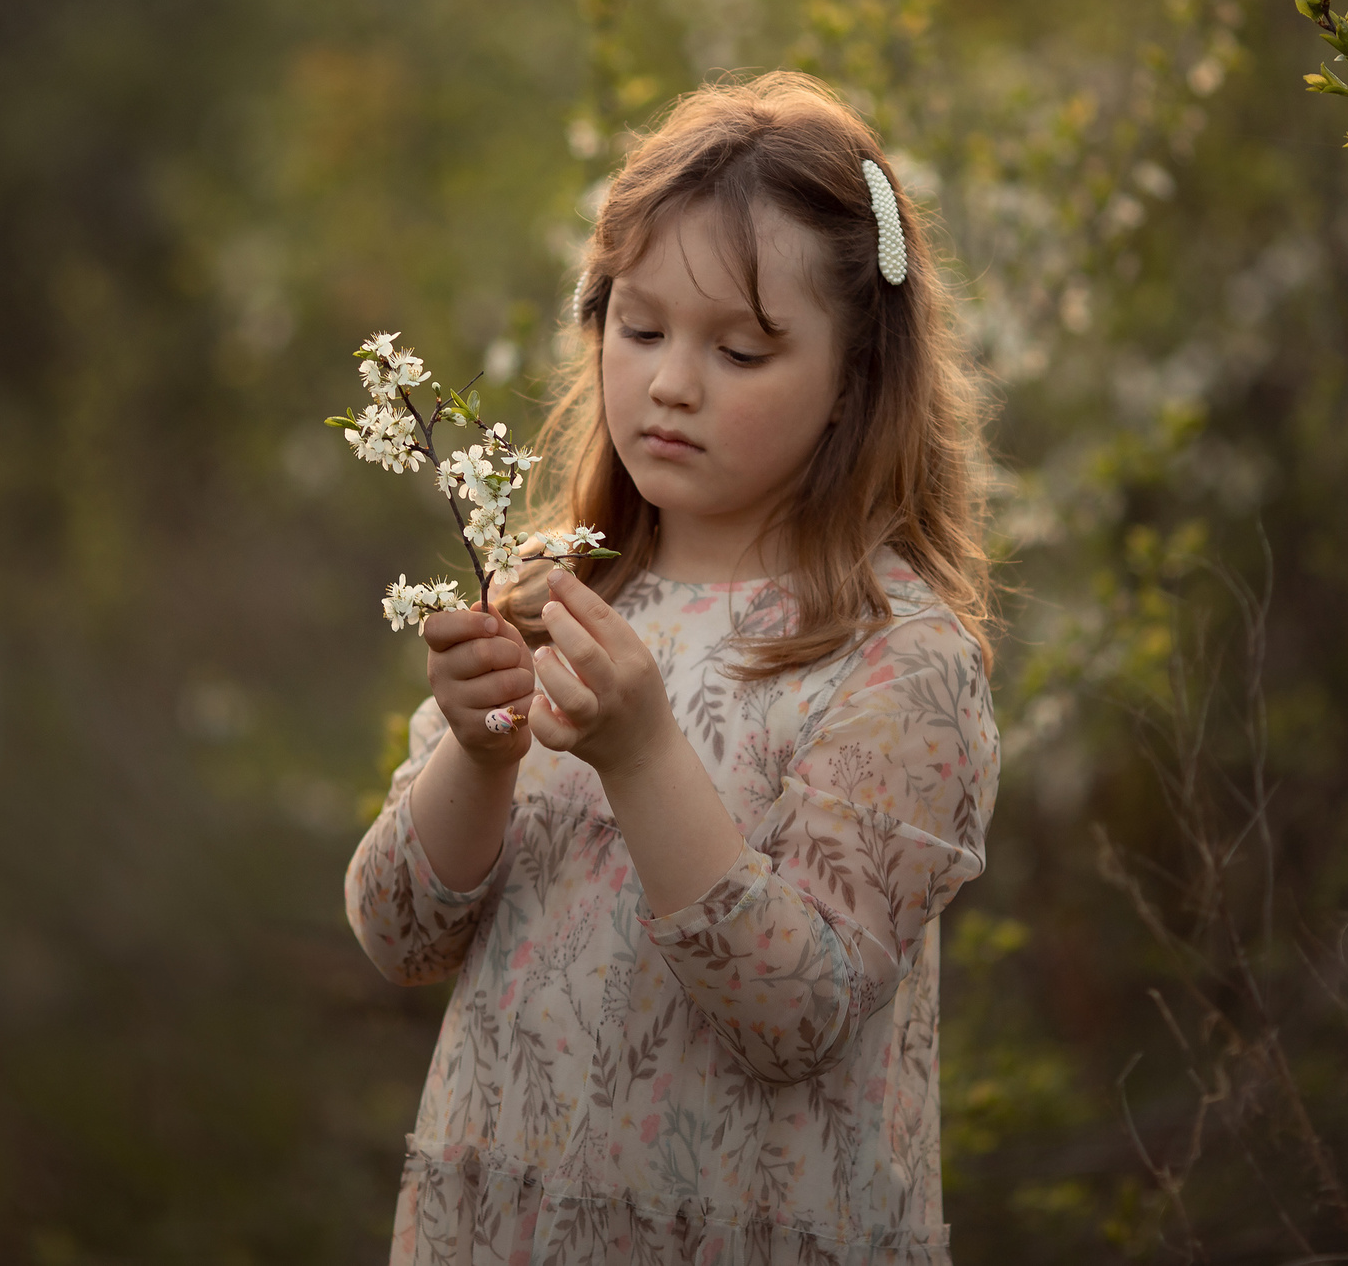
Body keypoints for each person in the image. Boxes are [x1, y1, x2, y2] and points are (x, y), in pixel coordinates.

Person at [345, 72, 1000, 1265]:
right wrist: (479, 757)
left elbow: (792, 1014)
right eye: (639, 330)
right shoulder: (558, 592)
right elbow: (398, 936)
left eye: (740, 350)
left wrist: (644, 753)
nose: (671, 383)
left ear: (855, 379)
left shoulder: (897, 662)